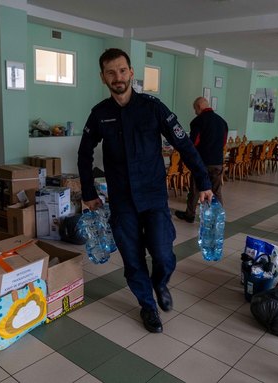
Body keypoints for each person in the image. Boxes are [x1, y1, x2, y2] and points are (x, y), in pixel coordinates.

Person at [77, 48, 213, 333]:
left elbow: (184, 144)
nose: (118, 77)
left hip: (153, 197)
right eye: (111, 72)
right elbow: (84, 153)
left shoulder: (153, 107)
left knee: (163, 254)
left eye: (122, 70)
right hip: (122, 200)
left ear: (131, 72)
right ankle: (148, 307)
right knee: (132, 258)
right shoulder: (99, 114)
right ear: (103, 77)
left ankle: (160, 282)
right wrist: (89, 192)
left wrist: (204, 181)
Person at [175, 97, 228, 223]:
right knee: (216, 190)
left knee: (195, 189)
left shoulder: (197, 122)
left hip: (202, 162)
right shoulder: (222, 122)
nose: (195, 112)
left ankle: (190, 214)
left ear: (199, 107)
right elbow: (224, 142)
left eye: (195, 109)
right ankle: (217, 216)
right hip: (217, 162)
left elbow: (193, 144)